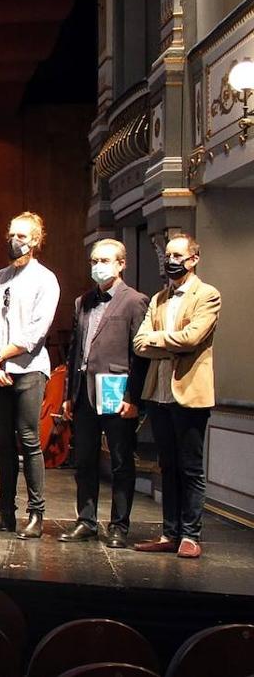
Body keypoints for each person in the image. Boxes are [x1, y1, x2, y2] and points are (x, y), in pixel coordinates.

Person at [133, 234, 221, 559]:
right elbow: (139, 343)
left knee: (190, 468)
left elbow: (192, 338)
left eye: (178, 255)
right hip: (158, 394)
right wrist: (168, 342)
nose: (171, 260)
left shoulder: (207, 295)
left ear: (194, 258)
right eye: (168, 254)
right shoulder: (158, 299)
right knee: (166, 467)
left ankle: (191, 535)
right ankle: (170, 532)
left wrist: (160, 342)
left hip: (189, 393)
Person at [59, 239, 150, 548]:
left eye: (105, 260)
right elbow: (74, 352)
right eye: (94, 261)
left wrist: (133, 398)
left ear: (121, 264)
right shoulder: (82, 301)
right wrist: (69, 394)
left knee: (121, 461)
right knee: (84, 461)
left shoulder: (134, 301)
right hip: (84, 392)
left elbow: (140, 355)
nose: (98, 266)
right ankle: (86, 520)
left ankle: (119, 525)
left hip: (116, 391)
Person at [0, 212, 60, 539]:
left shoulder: (45, 279)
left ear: (36, 241)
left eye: (23, 236)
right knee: (4, 445)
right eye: (12, 234)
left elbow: (35, 332)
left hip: (28, 370)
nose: (15, 240)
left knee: (28, 439)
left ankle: (36, 513)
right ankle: (5, 511)